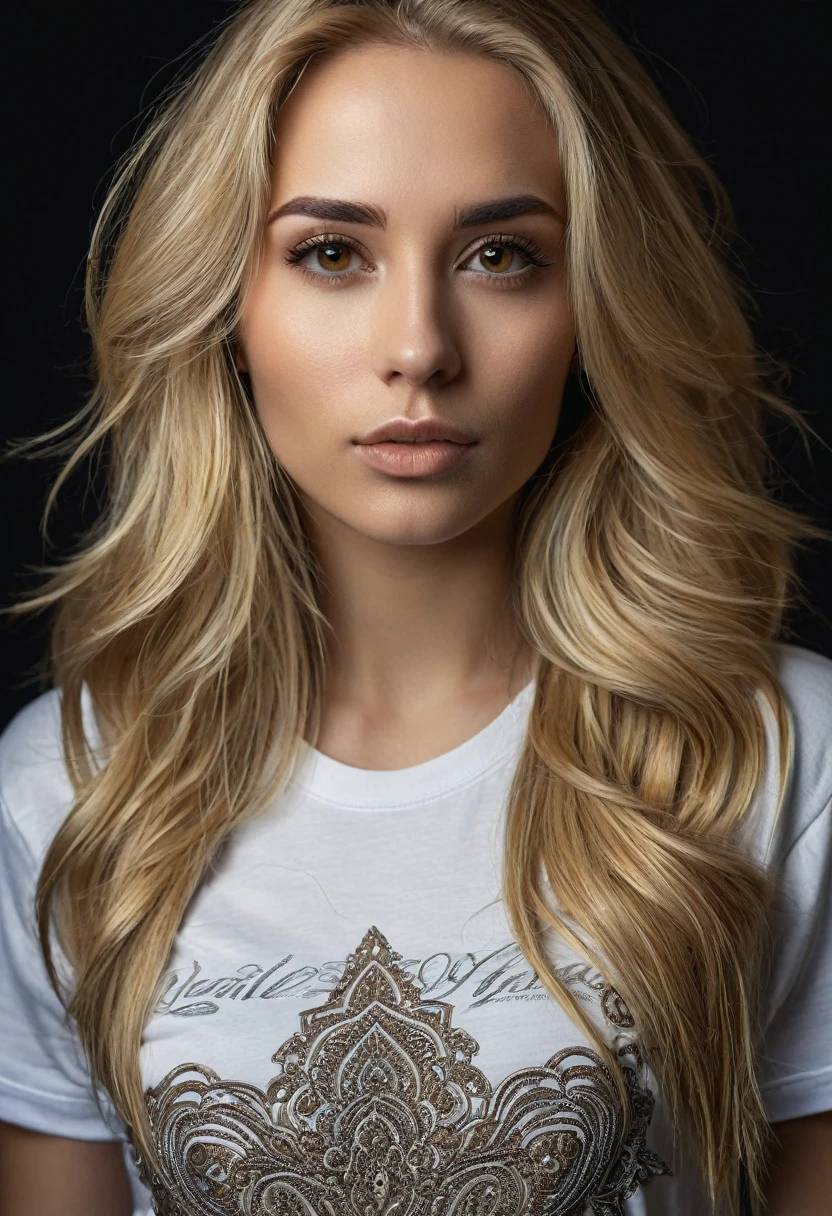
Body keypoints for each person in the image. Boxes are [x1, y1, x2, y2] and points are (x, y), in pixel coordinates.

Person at [0, 0, 830, 1213]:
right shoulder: (71, 789)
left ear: (593, 308)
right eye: (332, 252)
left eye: (502, 255)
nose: (419, 347)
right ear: (230, 309)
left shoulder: (778, 759)